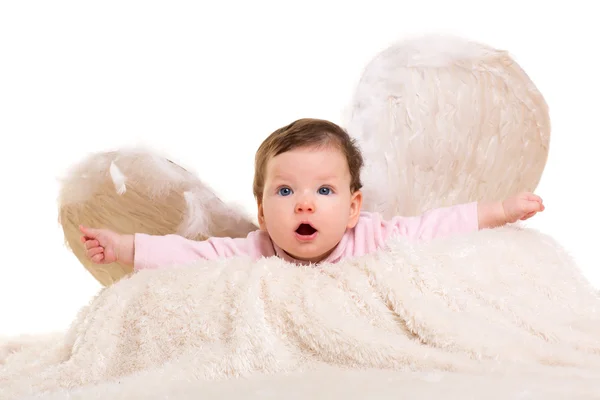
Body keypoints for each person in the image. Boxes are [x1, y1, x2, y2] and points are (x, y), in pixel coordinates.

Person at [79, 118, 544, 271]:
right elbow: (190, 255)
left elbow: (434, 227)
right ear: (261, 212)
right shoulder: (254, 250)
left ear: (351, 209)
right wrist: (125, 246)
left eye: (324, 190)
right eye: (285, 191)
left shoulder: (373, 237)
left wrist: (500, 210)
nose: (305, 203)